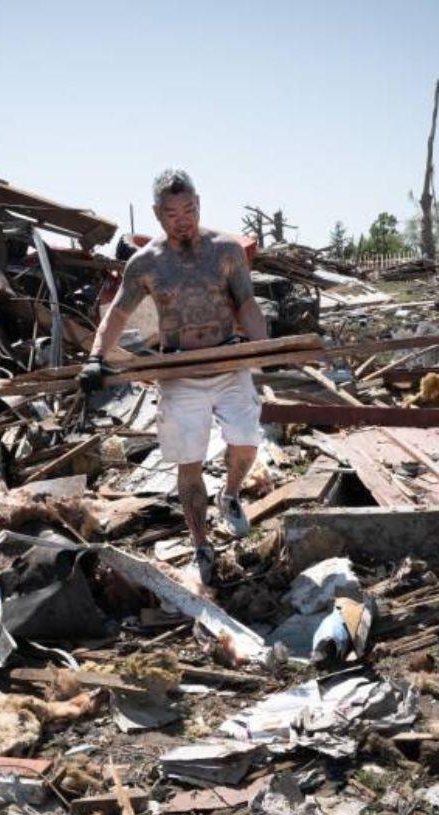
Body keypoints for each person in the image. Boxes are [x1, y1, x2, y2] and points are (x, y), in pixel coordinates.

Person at [79, 169, 268, 584]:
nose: (183, 219)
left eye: (190, 209)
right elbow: (119, 313)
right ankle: (201, 543)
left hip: (227, 363)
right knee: (189, 463)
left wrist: (263, 348)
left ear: (200, 203)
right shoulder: (146, 263)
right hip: (178, 372)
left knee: (246, 443)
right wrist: (95, 357)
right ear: (157, 214)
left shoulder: (227, 250)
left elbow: (248, 302)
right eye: (172, 213)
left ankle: (231, 494)